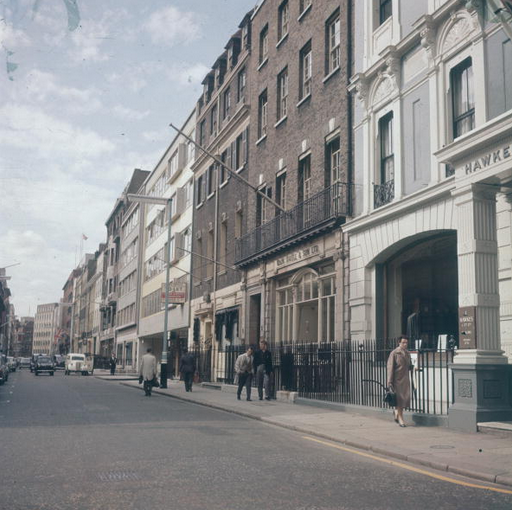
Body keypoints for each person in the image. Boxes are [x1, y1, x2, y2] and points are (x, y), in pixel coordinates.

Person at [387, 335, 414, 427]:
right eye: (403, 342)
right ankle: (401, 419)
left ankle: (396, 413)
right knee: (400, 400)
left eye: (406, 342)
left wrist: (414, 367)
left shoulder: (407, 353)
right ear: (399, 343)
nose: (405, 344)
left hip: (405, 380)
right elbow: (390, 368)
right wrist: (390, 381)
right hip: (397, 380)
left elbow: (409, 366)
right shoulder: (394, 353)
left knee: (404, 399)